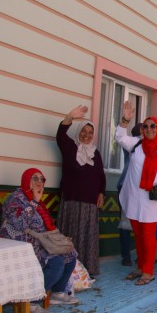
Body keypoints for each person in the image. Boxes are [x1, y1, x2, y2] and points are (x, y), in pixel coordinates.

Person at [116, 101, 157, 286]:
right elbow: (119, 137)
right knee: (137, 233)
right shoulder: (137, 144)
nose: (150, 129)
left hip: (152, 200)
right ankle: (141, 267)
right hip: (135, 197)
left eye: (153, 126)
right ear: (142, 129)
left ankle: (148, 272)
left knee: (148, 235)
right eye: (146, 126)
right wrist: (125, 120)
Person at [0, 168, 79, 313]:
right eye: (34, 178)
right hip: (21, 244)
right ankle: (32, 303)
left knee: (70, 254)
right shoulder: (15, 198)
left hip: (39, 241)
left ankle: (57, 292)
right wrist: (34, 202)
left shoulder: (37, 199)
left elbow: (46, 224)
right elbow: (20, 225)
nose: (38, 182)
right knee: (56, 262)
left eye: (41, 179)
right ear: (26, 180)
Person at [55, 105, 106, 276]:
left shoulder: (95, 154)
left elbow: (101, 176)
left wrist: (101, 193)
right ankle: (67, 270)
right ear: (78, 132)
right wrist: (70, 116)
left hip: (90, 204)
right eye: (84, 131)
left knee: (87, 237)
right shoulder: (70, 148)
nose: (86, 135)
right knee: (70, 236)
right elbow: (60, 135)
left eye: (90, 132)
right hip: (71, 201)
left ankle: (85, 270)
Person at [117, 123, 142, 267]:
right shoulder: (134, 145)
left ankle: (127, 257)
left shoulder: (130, 145)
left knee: (126, 223)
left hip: (126, 185)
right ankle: (135, 256)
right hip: (129, 186)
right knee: (132, 223)